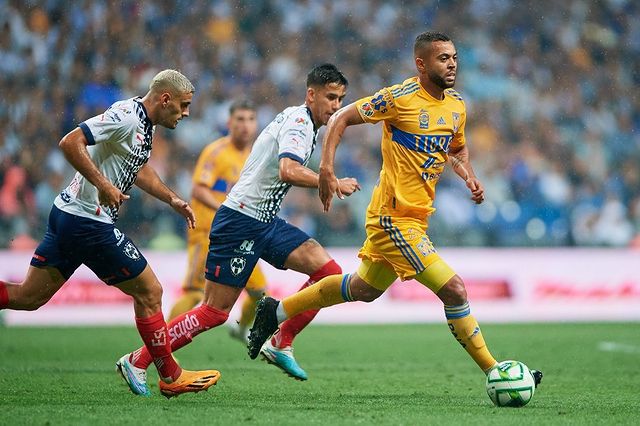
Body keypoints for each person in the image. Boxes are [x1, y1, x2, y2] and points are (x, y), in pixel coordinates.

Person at [247, 32, 543, 387]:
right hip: (392, 218)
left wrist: (468, 175)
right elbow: (340, 117)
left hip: (416, 218)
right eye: (442, 58)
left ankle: (275, 311)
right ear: (421, 63)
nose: (451, 64)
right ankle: (496, 371)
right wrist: (326, 169)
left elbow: (456, 149)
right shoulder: (399, 99)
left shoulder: (457, 105)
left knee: (363, 289)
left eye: (453, 57)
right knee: (455, 291)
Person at [116, 64, 360, 386]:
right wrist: (328, 181)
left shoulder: (302, 120)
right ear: (311, 95)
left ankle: (280, 340)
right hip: (240, 222)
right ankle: (138, 359)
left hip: (265, 221)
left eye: (340, 99)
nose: (336, 106)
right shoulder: (300, 124)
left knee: (327, 272)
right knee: (214, 312)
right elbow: (287, 169)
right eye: (330, 97)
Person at [0, 69, 220, 398]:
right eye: (184, 105)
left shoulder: (144, 126)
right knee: (150, 291)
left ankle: (146, 367)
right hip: (88, 221)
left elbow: (139, 167)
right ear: (165, 99)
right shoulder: (128, 117)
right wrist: (103, 185)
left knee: (28, 298)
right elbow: (70, 142)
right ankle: (168, 375)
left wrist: (172, 198)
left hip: (69, 215)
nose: (186, 113)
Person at [168, 99, 269, 344]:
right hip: (208, 232)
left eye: (250, 119)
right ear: (229, 123)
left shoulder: (253, 156)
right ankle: (160, 342)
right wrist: (227, 208)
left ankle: (240, 328)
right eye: (240, 119)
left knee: (260, 293)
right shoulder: (216, 151)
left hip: (240, 236)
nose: (245, 125)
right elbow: (199, 190)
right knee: (194, 294)